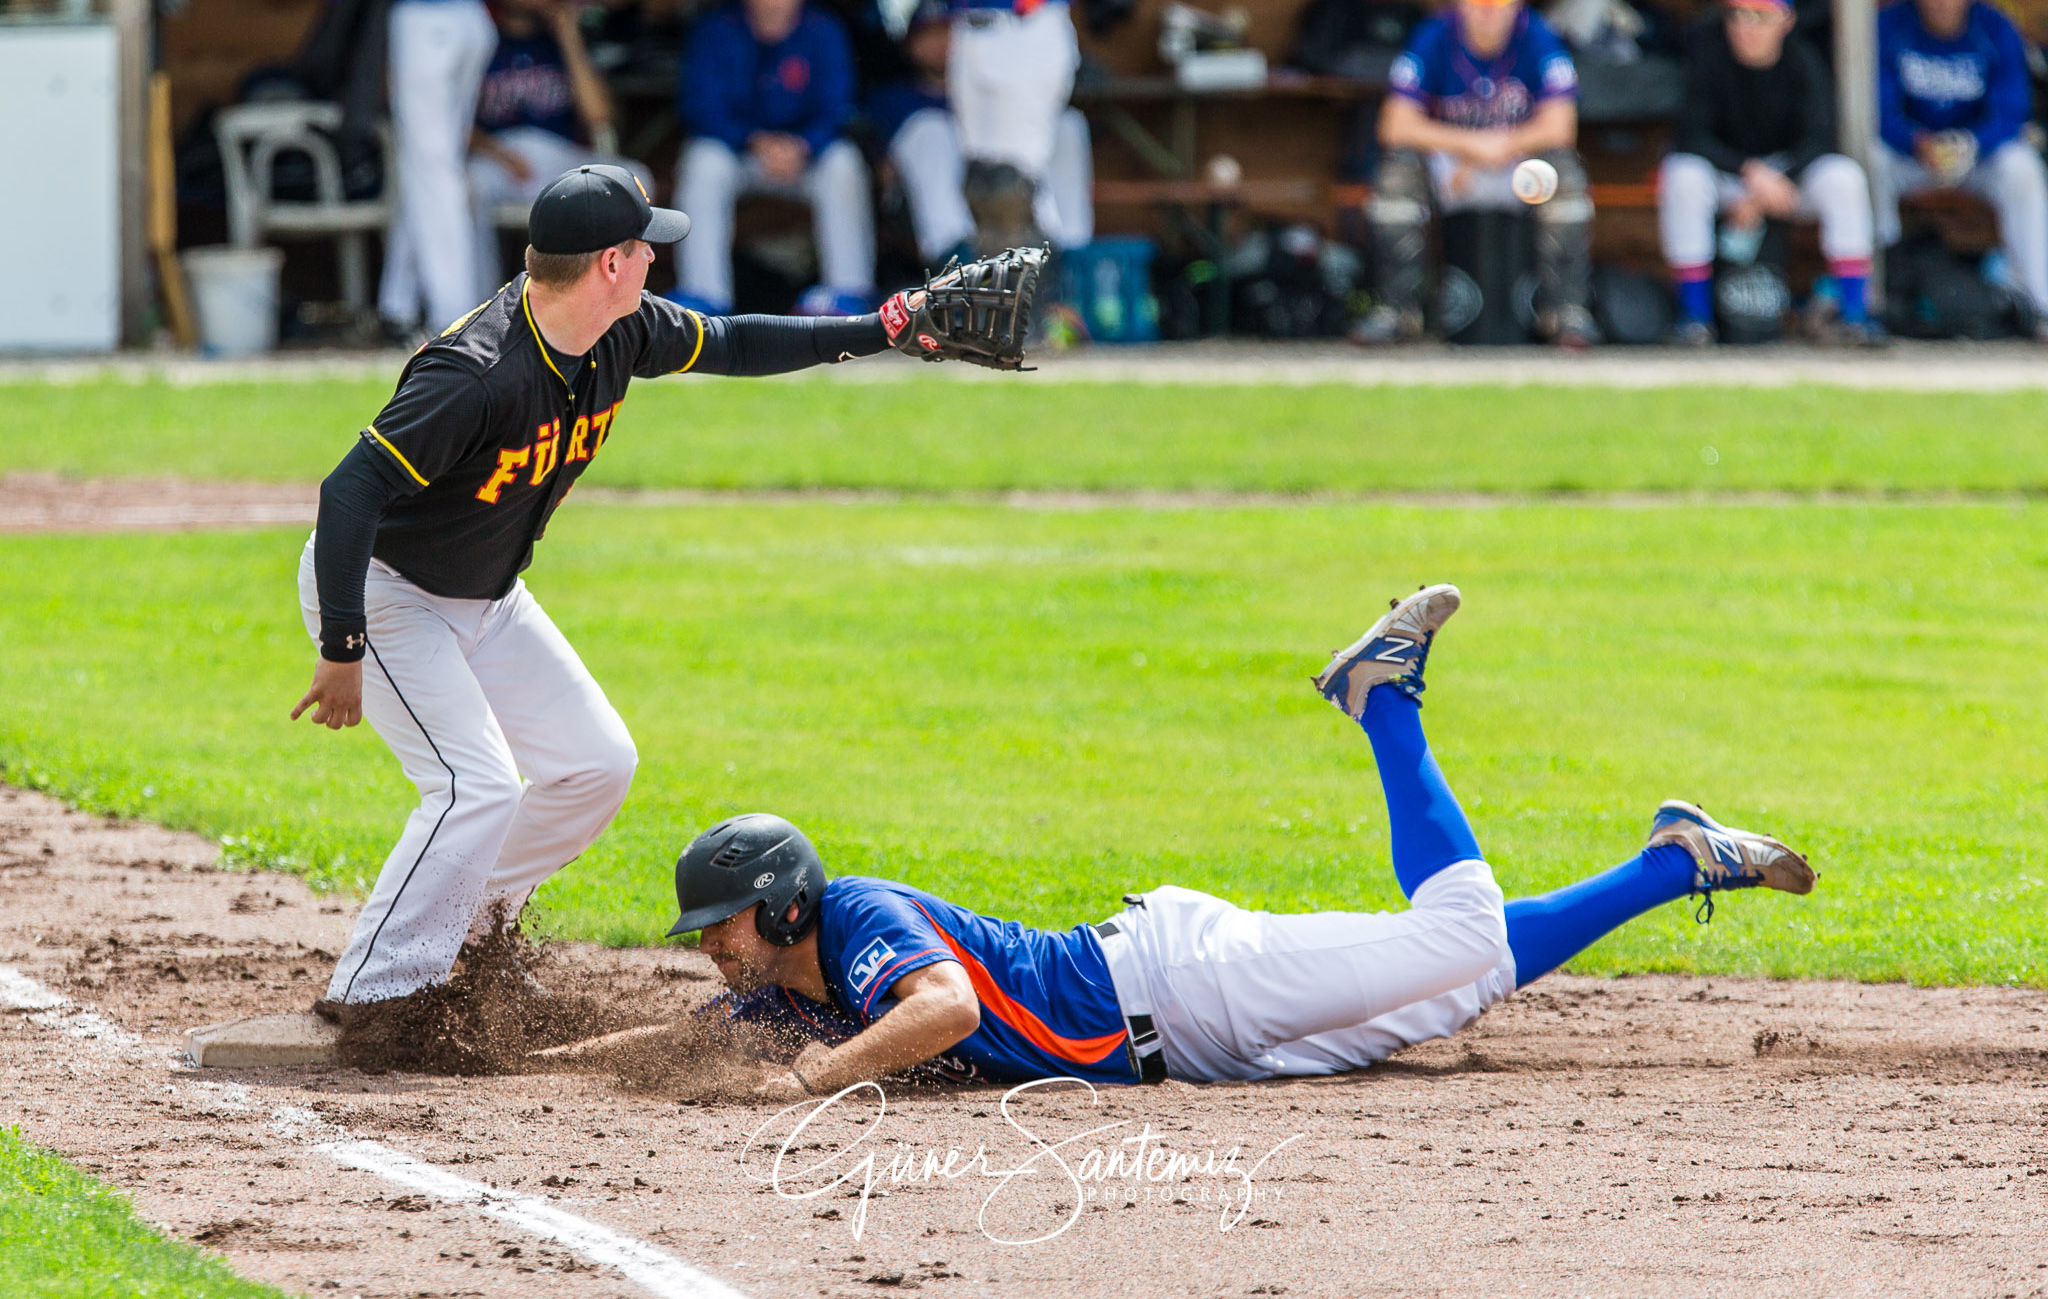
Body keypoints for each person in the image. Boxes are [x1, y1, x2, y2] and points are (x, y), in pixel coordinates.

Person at [665, 585, 1816, 1094]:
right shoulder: (799, 981)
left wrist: (820, 1077)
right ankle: (1675, 862)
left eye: (717, 931)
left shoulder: (860, 920)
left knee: (1459, 931)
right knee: (1458, 984)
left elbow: (947, 1012)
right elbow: (680, 1033)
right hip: (1205, 1049)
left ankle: (1383, 697)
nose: (710, 952)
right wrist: (518, 1056)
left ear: (778, 906)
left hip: (1184, 985)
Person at [291, 166, 950, 1017]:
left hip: (484, 594)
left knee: (595, 765)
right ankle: (371, 996)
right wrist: (342, 645)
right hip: (385, 591)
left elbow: (735, 342)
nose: (654, 260)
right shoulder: (477, 371)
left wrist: (879, 329)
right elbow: (349, 493)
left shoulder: (619, 332)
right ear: (609, 263)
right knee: (474, 783)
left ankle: (471, 939)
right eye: (644, 247)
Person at [1354, 0, 1597, 349]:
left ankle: (1566, 312)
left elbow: (1560, 126)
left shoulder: (1537, 35)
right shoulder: (1434, 35)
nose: (1486, 6)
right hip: (1453, 165)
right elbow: (1395, 125)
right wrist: (1471, 147)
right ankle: (1398, 311)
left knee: (1565, 175)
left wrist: (1499, 147)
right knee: (1396, 177)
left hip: (1516, 164)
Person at [1660, 0, 1881, 347]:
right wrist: (1751, 176)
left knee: (1844, 179)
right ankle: (1693, 319)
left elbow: (1820, 139)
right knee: (1682, 176)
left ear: (1786, 20)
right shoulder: (1708, 55)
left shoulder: (1804, 61)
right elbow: (1692, 137)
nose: (1746, 27)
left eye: (1760, 16)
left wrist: (1778, 182)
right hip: (1731, 174)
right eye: (1737, 14)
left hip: (1787, 178)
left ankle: (1854, 316)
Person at [670, 0, 874, 317]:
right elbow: (700, 107)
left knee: (843, 163)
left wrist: (804, 145)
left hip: (805, 157)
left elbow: (840, 107)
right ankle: (705, 295)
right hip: (741, 154)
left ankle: (848, 291)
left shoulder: (823, 29)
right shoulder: (716, 30)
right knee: (702, 163)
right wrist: (753, 140)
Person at [1875, 0, 2048, 340]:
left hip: (1975, 154)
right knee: (1870, 161)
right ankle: (1879, 294)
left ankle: (2037, 302)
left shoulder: (1994, 26)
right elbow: (1874, 109)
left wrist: (1973, 144)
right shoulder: (1890, 24)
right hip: (1913, 154)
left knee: (2022, 168)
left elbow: (2012, 109)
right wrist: (1915, 141)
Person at [466, 0, 653, 299]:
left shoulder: (563, 39)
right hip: (497, 159)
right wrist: (497, 153)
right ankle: (480, 301)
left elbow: (599, 116)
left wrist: (568, 37)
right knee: (467, 185)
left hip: (559, 158)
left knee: (637, 179)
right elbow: (452, 124)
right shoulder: (479, 35)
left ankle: (618, 299)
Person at [877, 0, 1079, 253]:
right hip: (969, 33)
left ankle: (1041, 294)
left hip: (1024, 29)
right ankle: (991, 294)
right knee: (980, 181)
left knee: (1016, 177)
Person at [867, 7, 1094, 265]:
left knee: (1067, 124)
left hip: (1005, 179)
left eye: (947, 30)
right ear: (910, 41)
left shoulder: (991, 77)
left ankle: (1070, 251)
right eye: (929, 33)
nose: (941, 42)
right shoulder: (893, 98)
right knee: (930, 130)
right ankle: (955, 257)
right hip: (924, 206)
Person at [362, 0, 499, 341]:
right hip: (472, 16)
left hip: (428, 18)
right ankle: (398, 304)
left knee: (432, 170)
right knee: (427, 166)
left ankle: (454, 317)